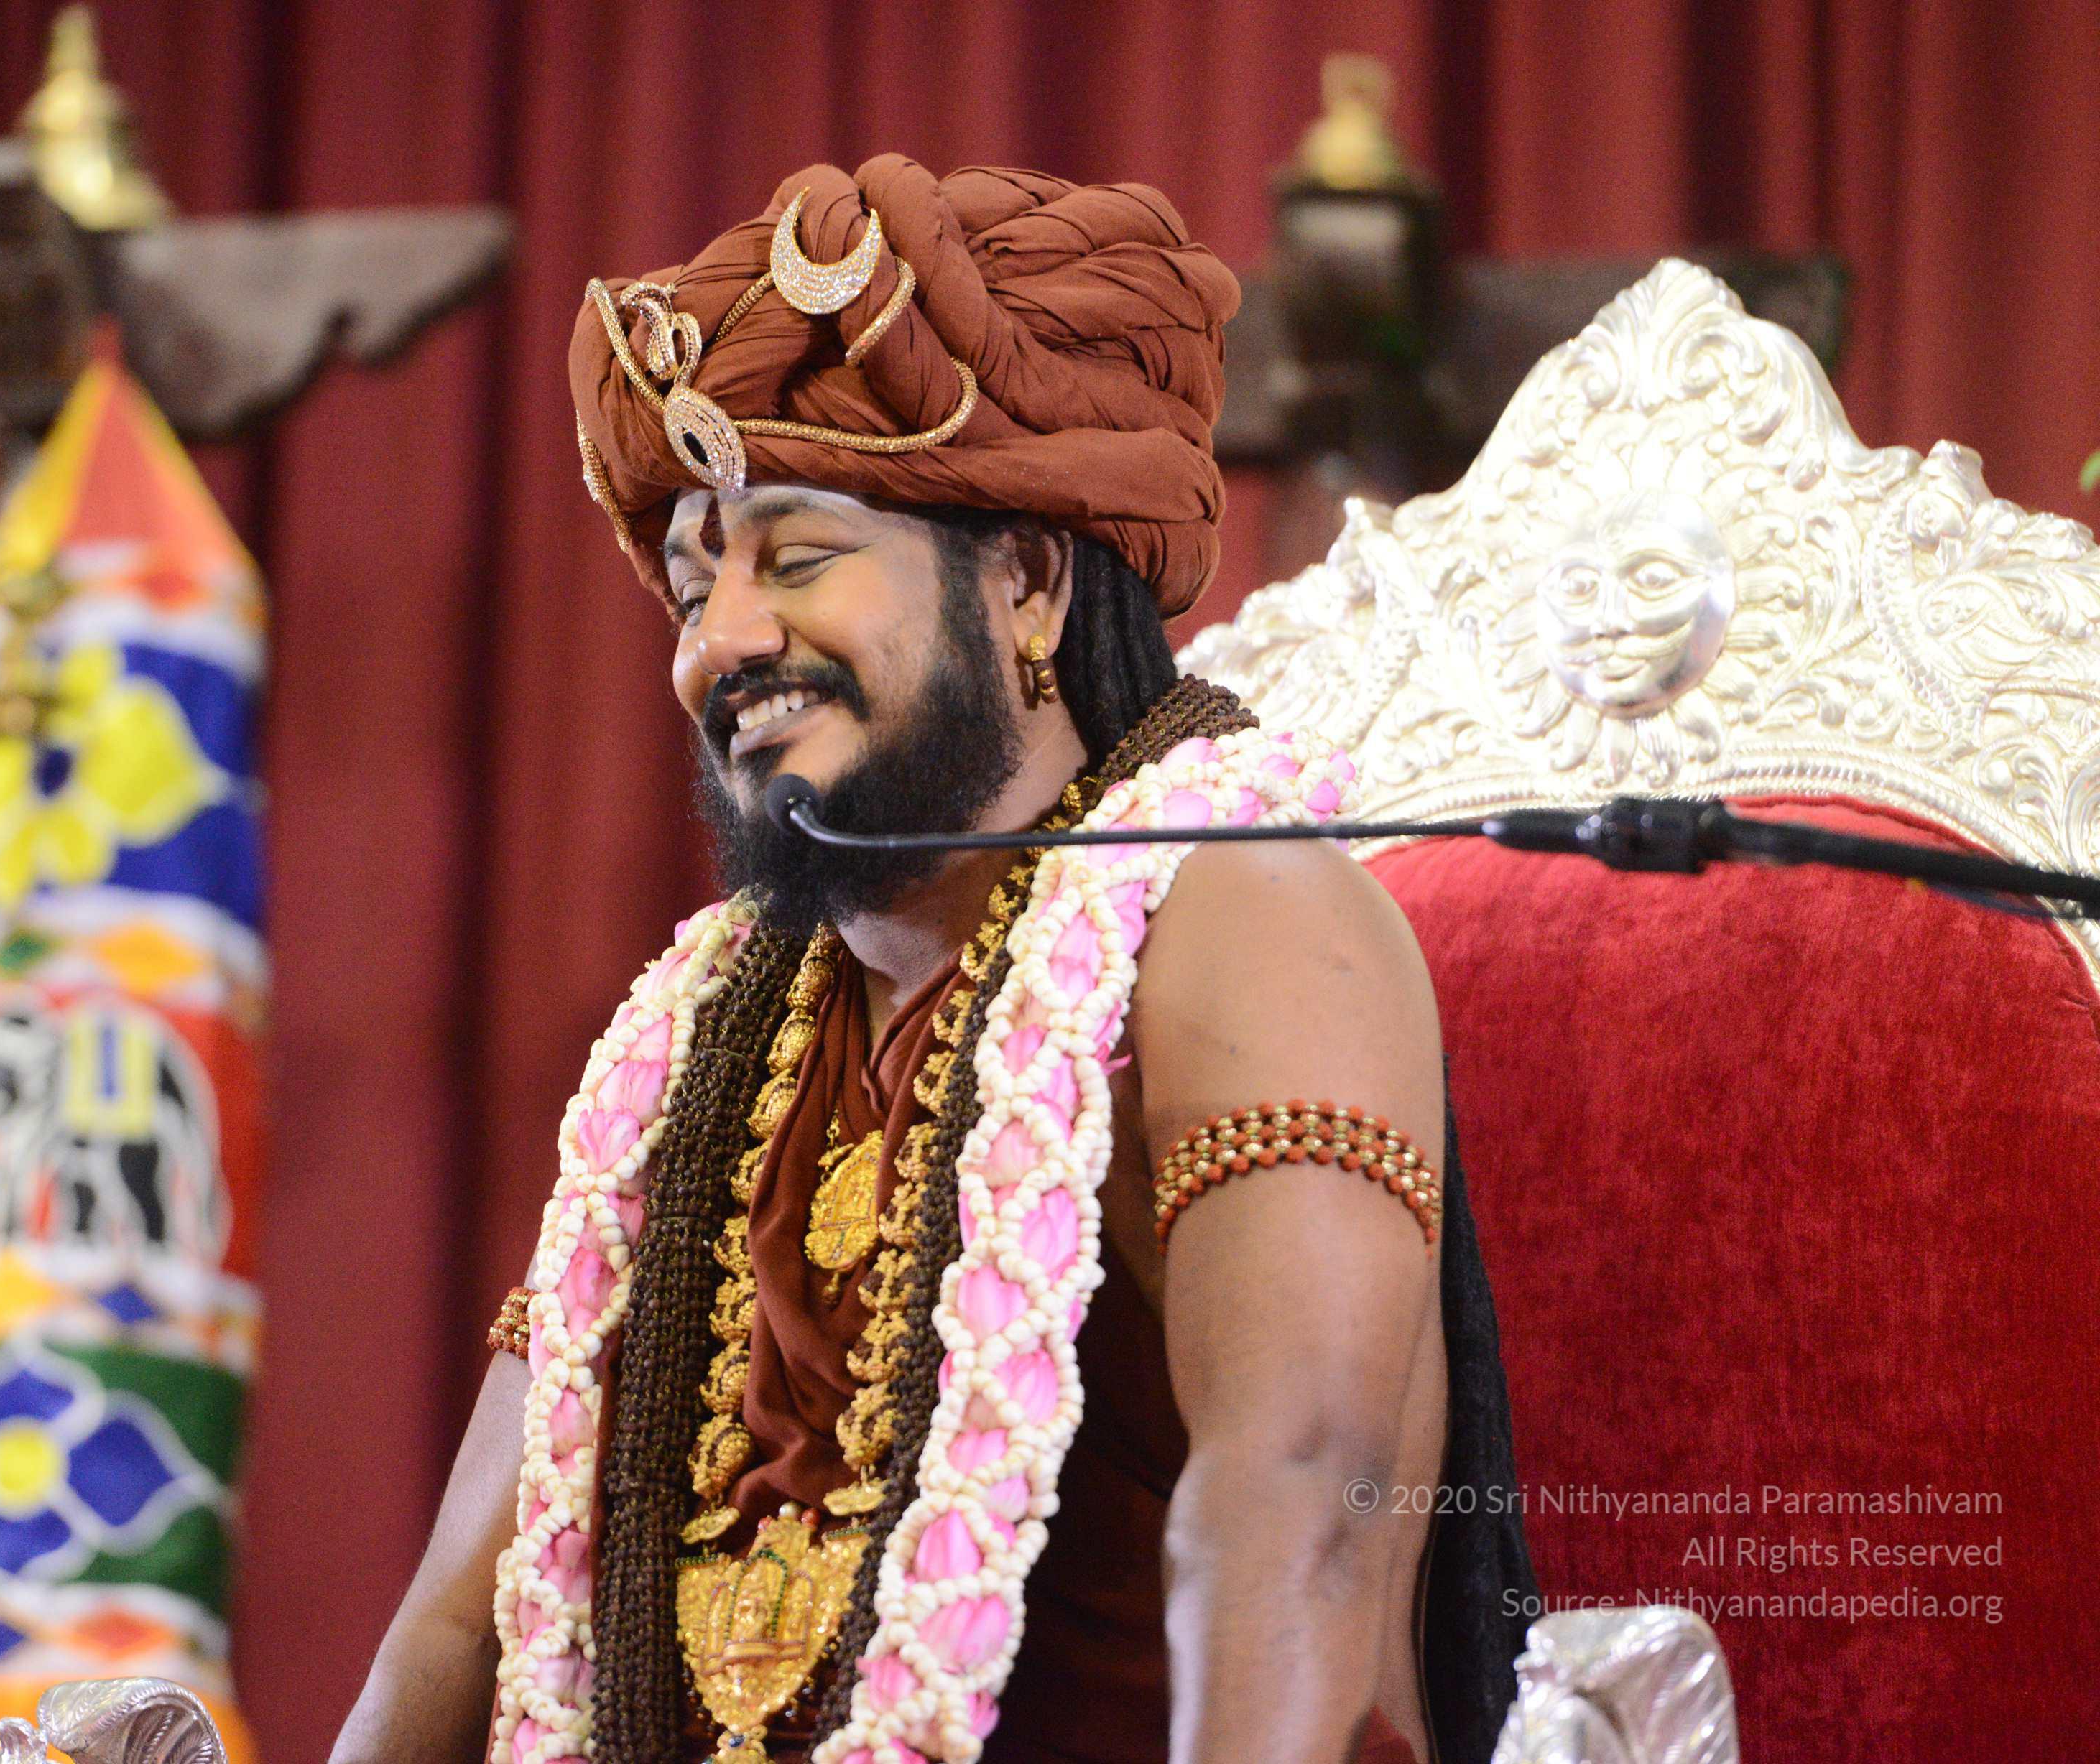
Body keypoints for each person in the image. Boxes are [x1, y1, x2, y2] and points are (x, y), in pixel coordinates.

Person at [329, 155, 1533, 1764]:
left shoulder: (1242, 912)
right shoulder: (699, 1039)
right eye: (691, 584)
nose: (715, 643)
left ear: (1025, 582)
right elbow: (454, 1623)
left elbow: (1299, 1504)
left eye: (794, 557)